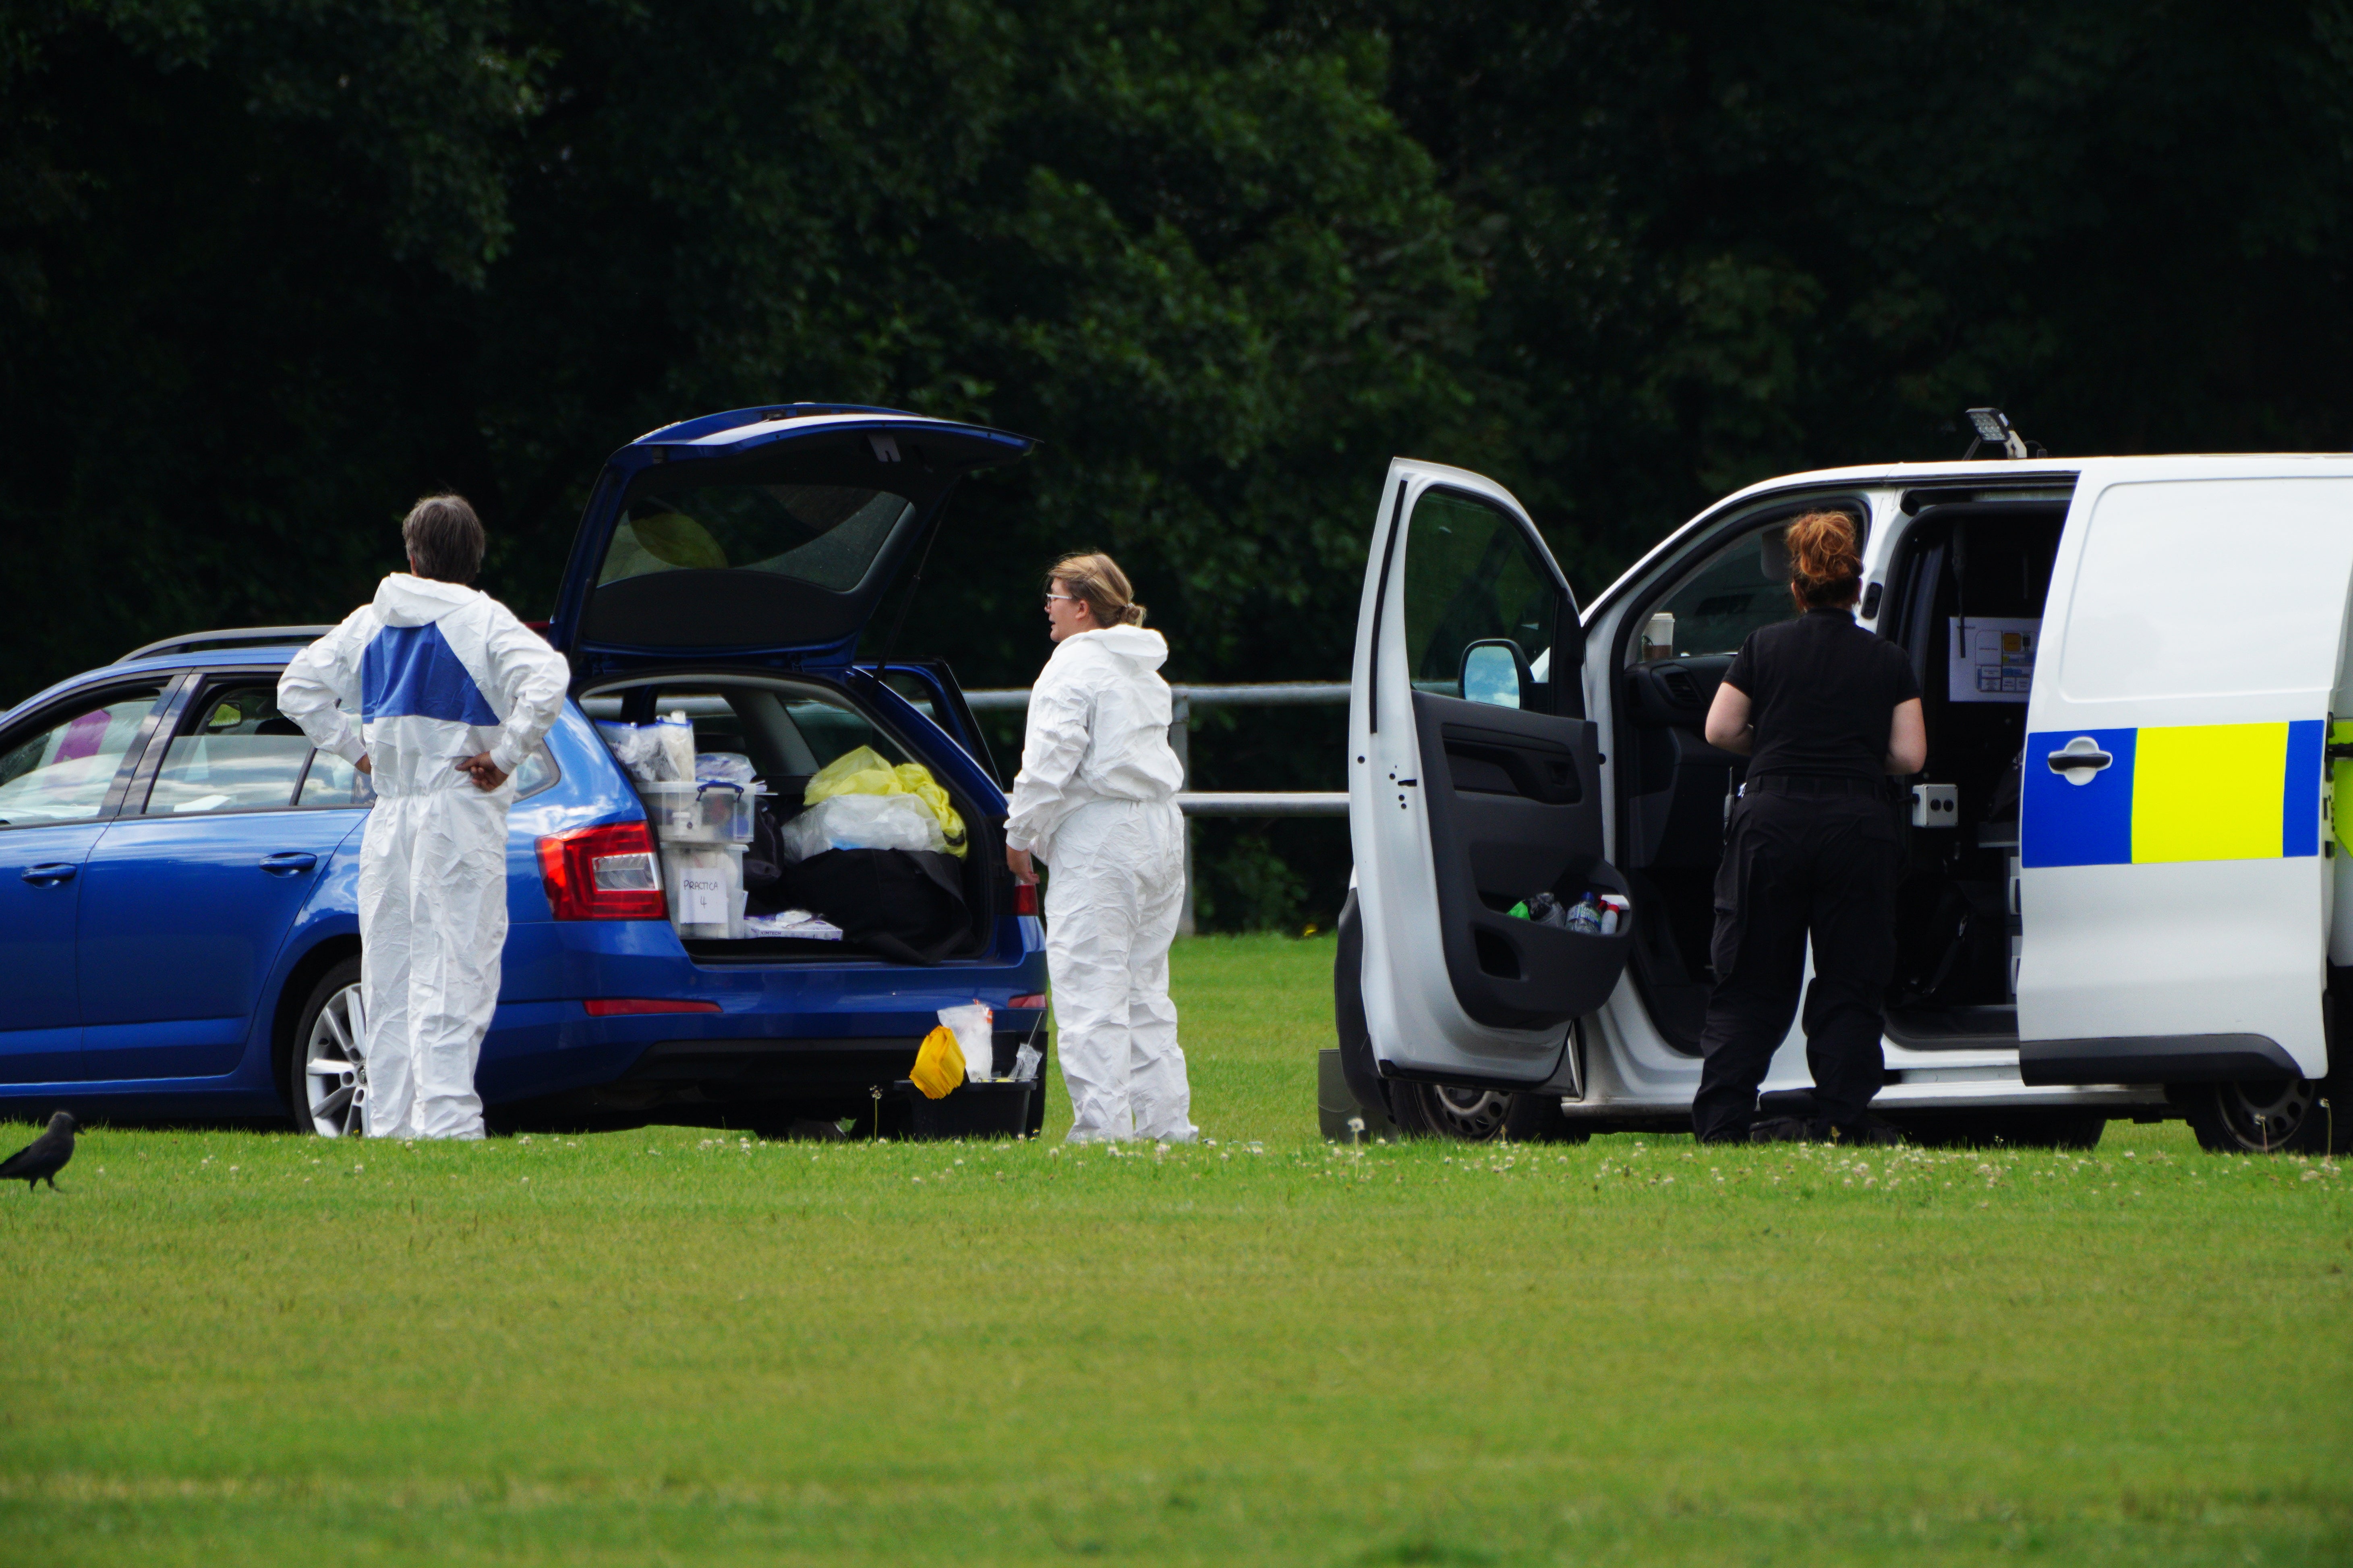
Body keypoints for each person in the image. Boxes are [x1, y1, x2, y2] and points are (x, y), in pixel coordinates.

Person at [279, 495, 570, 1140]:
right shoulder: (484, 621)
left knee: (389, 973)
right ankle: (446, 1122)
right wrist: (504, 754)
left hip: (391, 818)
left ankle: (390, 1125)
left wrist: (356, 751)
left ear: (411, 556)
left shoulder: (370, 622)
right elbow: (549, 678)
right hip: (457, 813)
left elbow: (295, 688)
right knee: (456, 965)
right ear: (474, 559)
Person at [1691, 511, 1927, 1145]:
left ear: (1796, 589)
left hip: (1770, 823)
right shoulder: (1888, 659)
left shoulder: (1762, 647)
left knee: (1749, 981)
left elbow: (1718, 730)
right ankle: (1841, 1121)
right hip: (1856, 827)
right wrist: (1852, 752)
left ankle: (1722, 1125)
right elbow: (1909, 756)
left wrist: (1777, 744)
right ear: (1855, 590)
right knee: (1851, 981)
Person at [1003, 552, 1197, 1143]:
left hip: (1101, 837)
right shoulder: (1142, 668)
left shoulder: (1072, 668)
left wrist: (1019, 836)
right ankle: (1165, 1126)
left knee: (1090, 986)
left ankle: (1101, 1130)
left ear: (1082, 607)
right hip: (1160, 831)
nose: (1048, 608)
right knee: (1144, 988)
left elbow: (1049, 761)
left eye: (1055, 597)